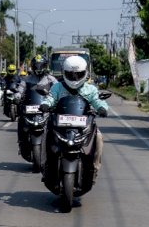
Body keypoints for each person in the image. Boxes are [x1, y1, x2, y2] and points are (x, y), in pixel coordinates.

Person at [39, 55, 107, 184]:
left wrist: (102, 108)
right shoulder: (57, 87)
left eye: (78, 74)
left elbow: (98, 101)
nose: (74, 78)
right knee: (45, 135)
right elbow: (51, 98)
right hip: (60, 125)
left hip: (83, 126)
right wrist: (46, 104)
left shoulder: (90, 89)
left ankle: (95, 168)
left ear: (85, 73)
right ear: (64, 73)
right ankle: (44, 166)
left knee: (98, 138)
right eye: (71, 75)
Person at [15, 55, 58, 158]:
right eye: (36, 66)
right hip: (29, 108)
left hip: (46, 109)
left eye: (41, 66)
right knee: (21, 121)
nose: (39, 68)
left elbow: (58, 91)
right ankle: (22, 142)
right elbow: (20, 90)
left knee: (56, 126)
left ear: (45, 66)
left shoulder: (51, 79)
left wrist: (57, 100)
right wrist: (17, 96)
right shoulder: (27, 79)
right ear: (33, 66)